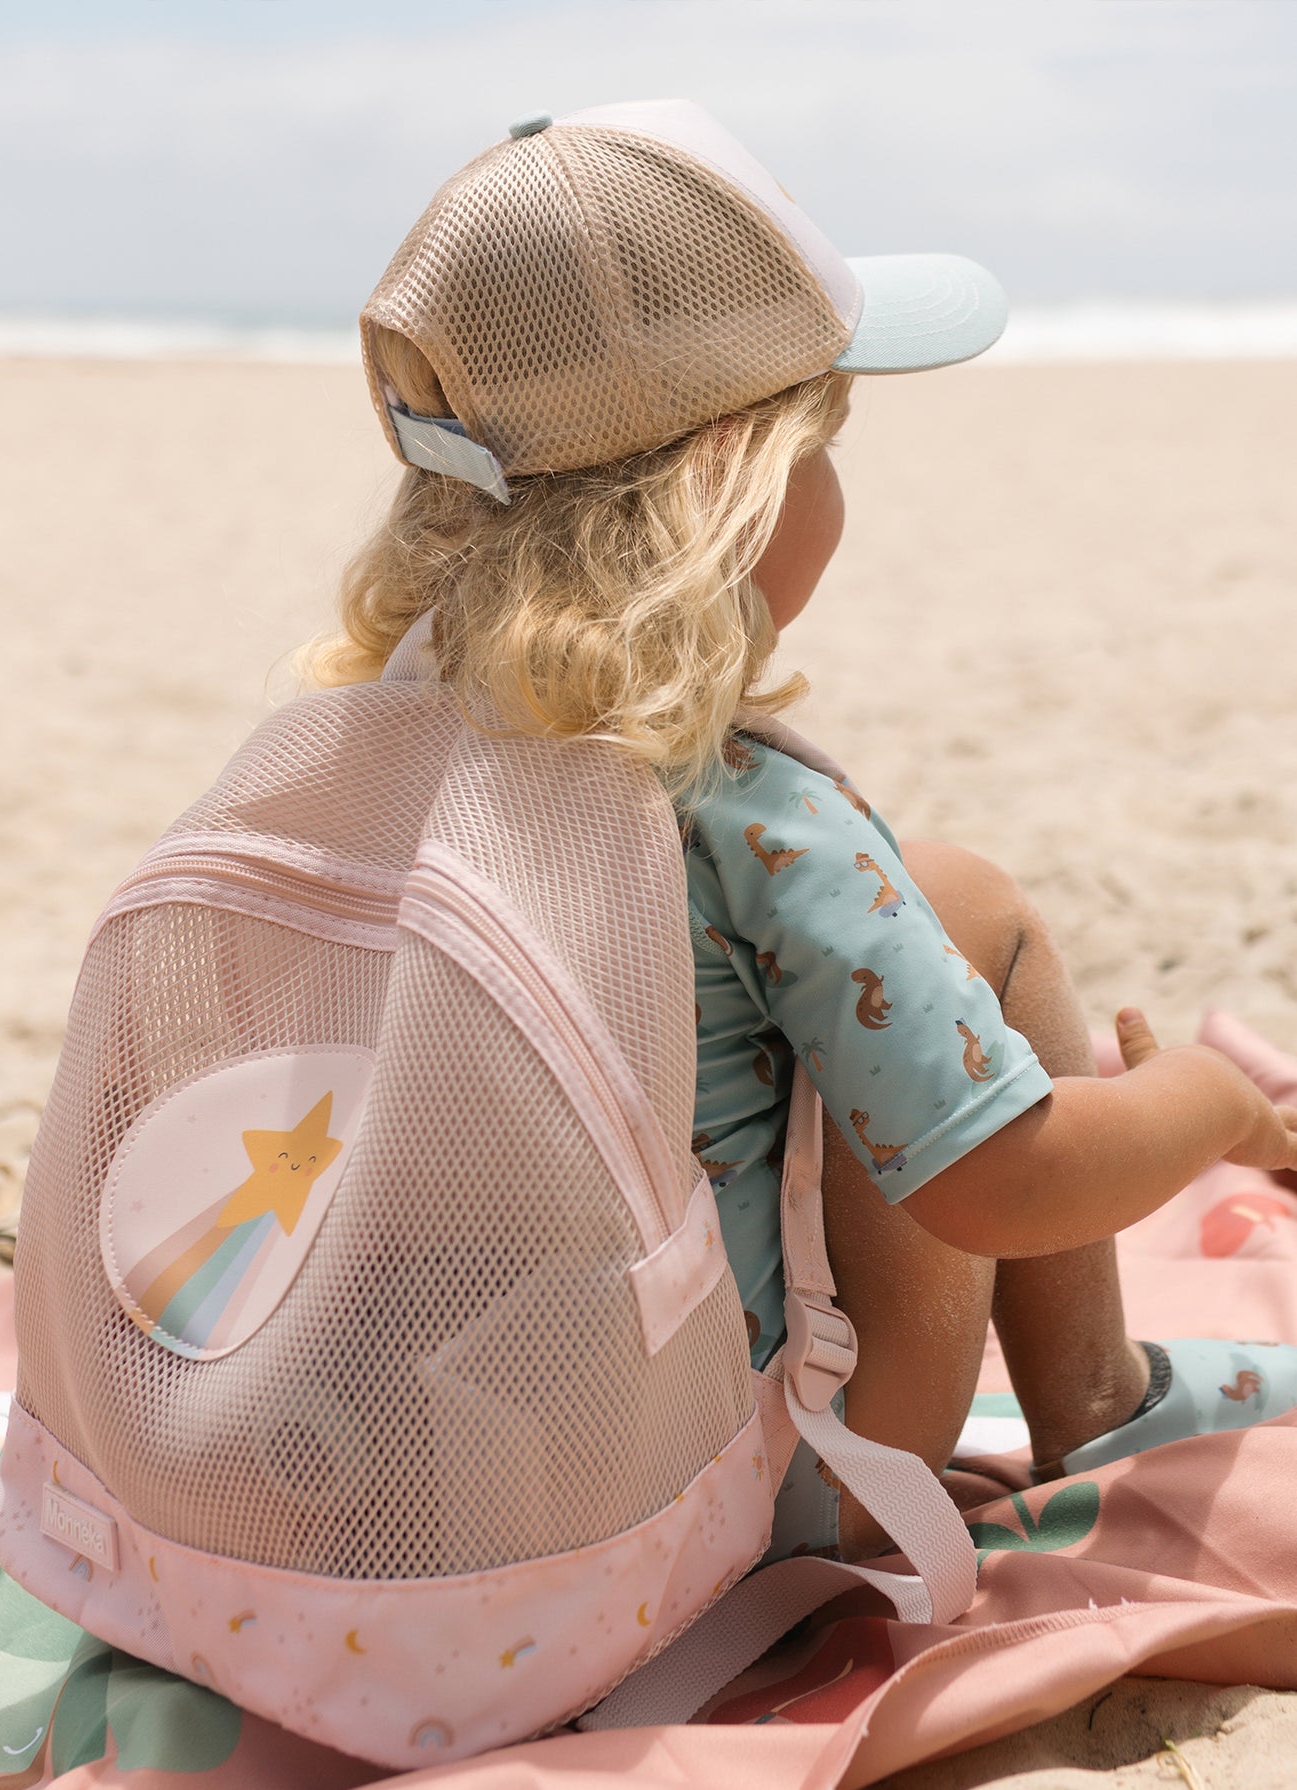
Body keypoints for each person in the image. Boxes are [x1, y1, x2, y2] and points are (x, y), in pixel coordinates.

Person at [305, 101, 1297, 1565]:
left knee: (868, 961)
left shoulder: (360, 752)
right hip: (715, 1501)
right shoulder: (748, 817)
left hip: (412, 1465)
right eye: (820, 444)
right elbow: (1005, 1183)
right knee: (964, 909)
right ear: (733, 489)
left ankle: (1096, 1384)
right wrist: (1209, 1105)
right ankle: (1095, 1391)